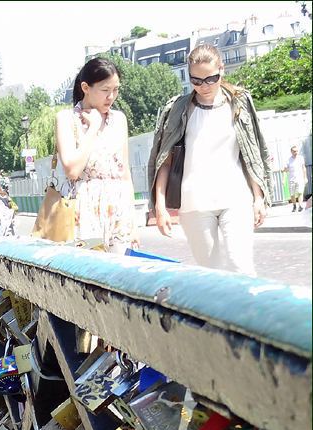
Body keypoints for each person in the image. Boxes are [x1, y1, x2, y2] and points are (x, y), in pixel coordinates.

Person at [148, 44, 271, 277]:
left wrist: (258, 197)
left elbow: (252, 152)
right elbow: (163, 160)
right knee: (214, 275)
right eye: (196, 80)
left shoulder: (239, 103)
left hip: (236, 197)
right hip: (194, 203)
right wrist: (160, 206)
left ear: (221, 70)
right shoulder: (177, 109)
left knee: (241, 267)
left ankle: (247, 313)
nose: (204, 86)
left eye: (211, 79)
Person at [55, 58, 138, 251]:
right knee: (89, 274)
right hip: (84, 209)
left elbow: (124, 171)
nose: (111, 97)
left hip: (118, 209)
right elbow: (72, 170)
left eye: (115, 90)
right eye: (105, 90)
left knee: (120, 276)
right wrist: (93, 128)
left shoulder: (119, 119)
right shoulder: (67, 119)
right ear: (85, 87)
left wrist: (132, 219)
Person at [285, 145, 308, 213]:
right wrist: (285, 169)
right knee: (292, 194)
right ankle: (294, 205)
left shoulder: (301, 158)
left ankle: (300, 205)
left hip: (300, 179)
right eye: (294, 151)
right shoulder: (288, 160)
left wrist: (305, 177)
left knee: (300, 192)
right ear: (291, 152)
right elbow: (286, 170)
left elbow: (304, 168)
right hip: (291, 179)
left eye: (297, 151)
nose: (296, 152)